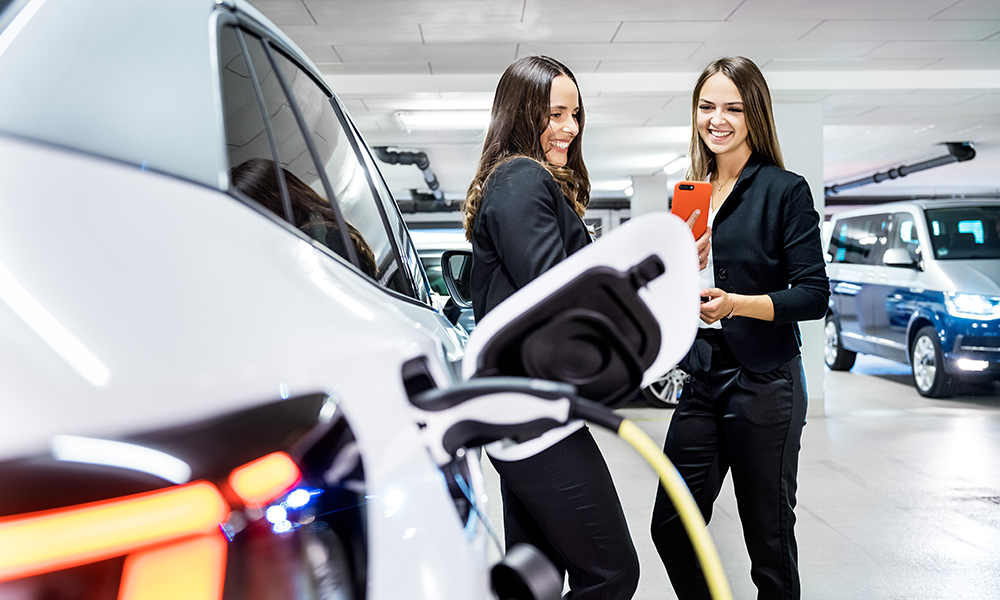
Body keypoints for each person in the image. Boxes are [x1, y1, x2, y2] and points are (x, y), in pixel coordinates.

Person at [649, 56, 830, 600]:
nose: (718, 119)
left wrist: (735, 304)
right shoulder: (690, 193)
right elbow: (681, 290)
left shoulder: (783, 190)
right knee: (672, 525)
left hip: (766, 382)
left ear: (755, 112)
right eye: (707, 107)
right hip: (703, 378)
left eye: (733, 107)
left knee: (768, 542)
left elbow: (813, 295)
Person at [463, 55, 640, 599]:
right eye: (555, 113)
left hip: (525, 405)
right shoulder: (520, 178)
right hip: (533, 412)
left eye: (575, 114)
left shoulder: (516, 180)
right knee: (610, 573)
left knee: (533, 578)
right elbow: (560, 296)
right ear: (521, 113)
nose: (569, 128)